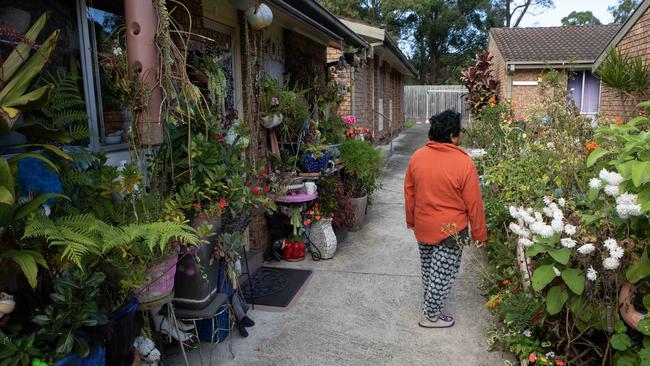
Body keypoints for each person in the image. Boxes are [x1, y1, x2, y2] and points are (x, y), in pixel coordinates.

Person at [403, 110, 487, 329]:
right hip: (451, 230)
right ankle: (430, 317)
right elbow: (474, 203)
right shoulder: (464, 163)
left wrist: (411, 220)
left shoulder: (417, 157)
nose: (462, 135)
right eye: (460, 131)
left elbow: (409, 193)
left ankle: (430, 304)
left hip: (424, 226)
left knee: (430, 268)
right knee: (443, 273)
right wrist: (480, 233)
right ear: (452, 136)